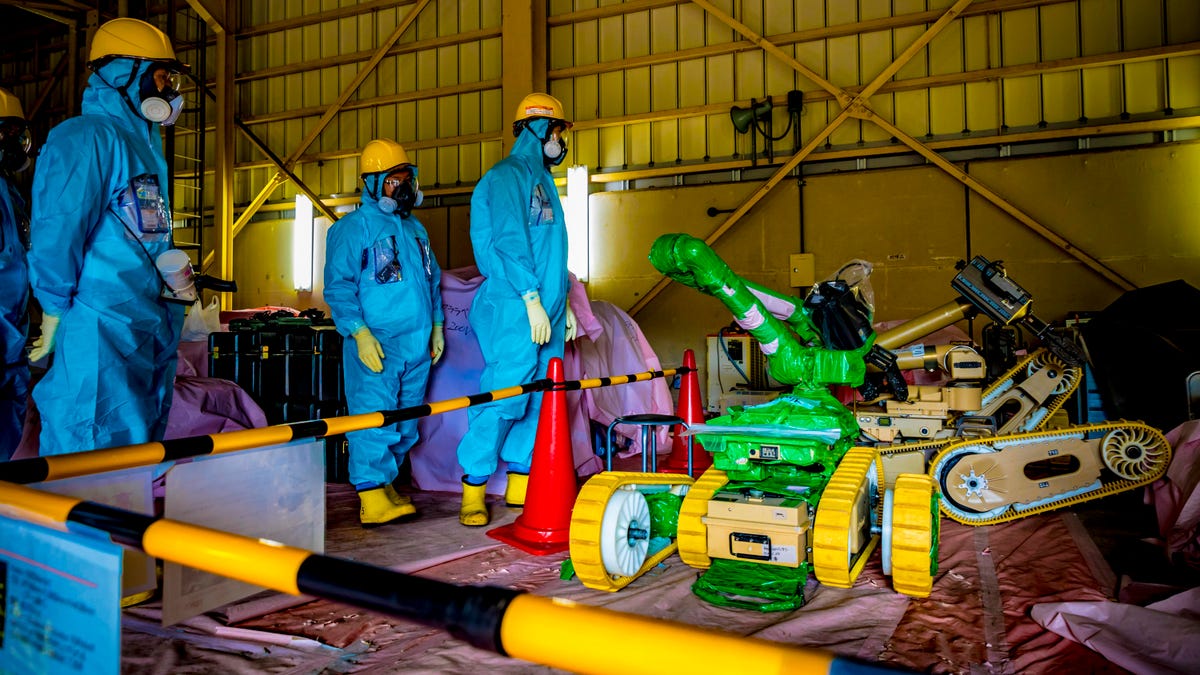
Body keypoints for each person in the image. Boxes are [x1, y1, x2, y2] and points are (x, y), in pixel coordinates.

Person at [27, 18, 188, 455]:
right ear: (124, 74)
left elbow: (145, 237)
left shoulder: (143, 149)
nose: (169, 90)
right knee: (87, 439)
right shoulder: (87, 137)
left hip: (141, 320)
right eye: (161, 76)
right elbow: (58, 230)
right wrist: (54, 307)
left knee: (132, 446)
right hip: (98, 321)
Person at [456, 92, 578, 526]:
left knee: (541, 399)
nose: (562, 141)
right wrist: (530, 298)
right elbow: (509, 241)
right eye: (558, 131)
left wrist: (564, 304)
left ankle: (521, 484)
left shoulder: (544, 181)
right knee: (504, 395)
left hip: (548, 308)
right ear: (540, 129)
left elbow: (551, 252)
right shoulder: (507, 175)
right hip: (514, 306)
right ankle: (473, 488)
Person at [324, 138, 445, 526]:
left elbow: (432, 281)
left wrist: (437, 326)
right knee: (373, 416)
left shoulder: (416, 230)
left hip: (417, 343)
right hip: (378, 342)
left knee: (406, 419)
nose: (402, 187)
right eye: (393, 180)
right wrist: (358, 332)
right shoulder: (352, 229)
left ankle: (385, 484)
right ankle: (371, 494)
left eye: (406, 178)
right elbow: (338, 287)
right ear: (372, 183)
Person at [0, 87, 32, 459]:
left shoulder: (9, 192)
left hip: (10, 338)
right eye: (5, 132)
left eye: (15, 133)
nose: (14, 142)